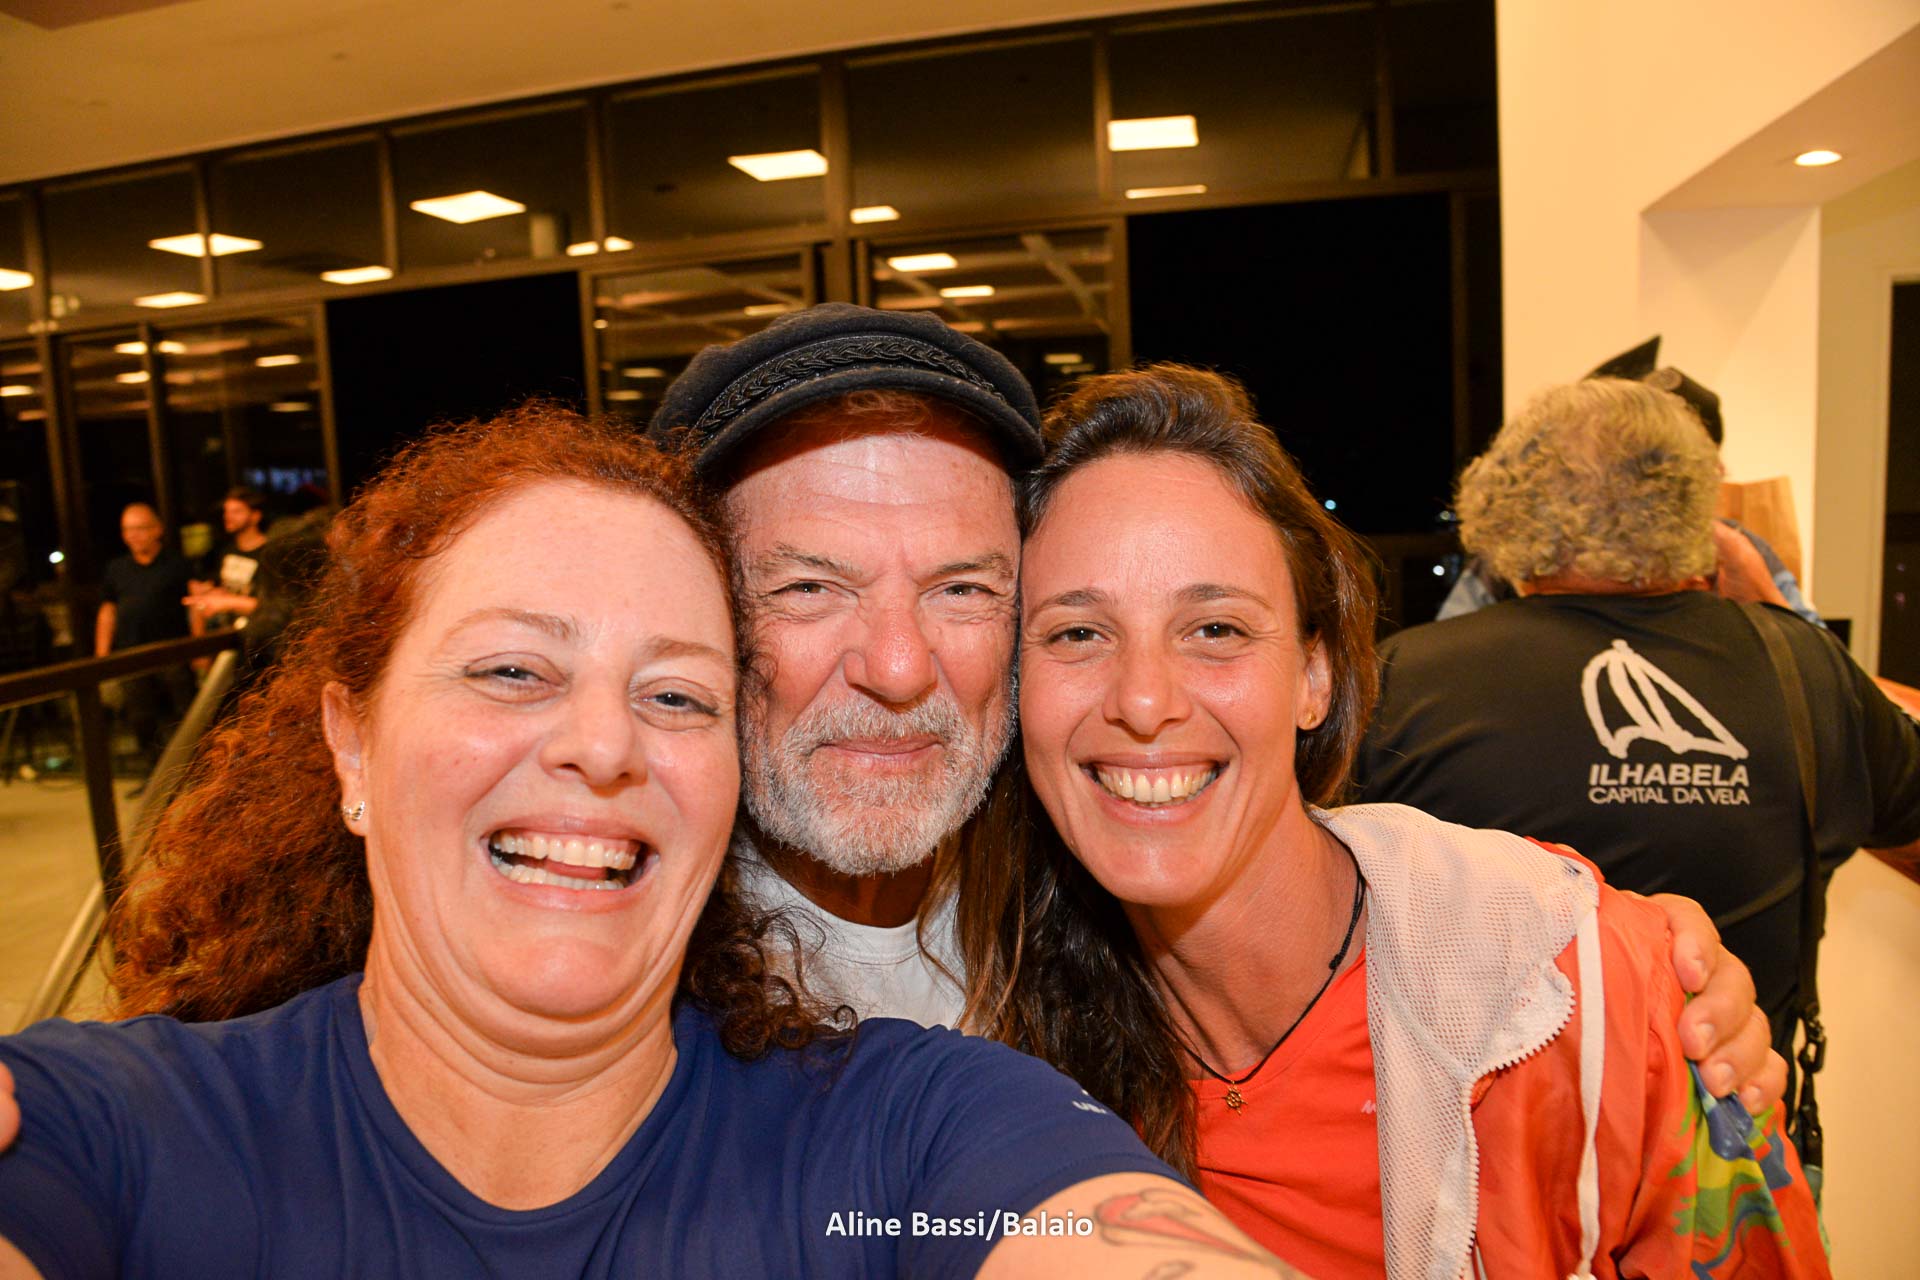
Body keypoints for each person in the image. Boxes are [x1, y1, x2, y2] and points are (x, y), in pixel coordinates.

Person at [0, 406, 1282, 1280]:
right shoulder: (104, 1137)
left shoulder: (916, 1130)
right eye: (513, 669)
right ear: (352, 743)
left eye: (677, 695)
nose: (603, 744)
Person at [646, 303, 1782, 1101]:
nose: (898, 667)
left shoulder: (1077, 906)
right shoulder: (621, 977)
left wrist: (1620, 975)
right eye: (808, 587)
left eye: (962, 589)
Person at [963, 365, 1829, 1278]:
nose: (1143, 700)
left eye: (1216, 629)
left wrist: (1644, 988)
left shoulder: (1581, 995)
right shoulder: (991, 1031)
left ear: (1316, 675)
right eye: (1076, 633)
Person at [1357, 378, 1920, 1055]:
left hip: (1479, 1113)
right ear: (1694, 505)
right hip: (1735, 1110)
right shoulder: (1802, 668)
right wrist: (1775, 611)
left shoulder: (1407, 678)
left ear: (1505, 506)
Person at [1438, 339, 1823, 626]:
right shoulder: (1513, 555)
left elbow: (1814, 665)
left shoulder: (1737, 553)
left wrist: (1762, 604)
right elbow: (1457, 637)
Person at [95, 502, 200, 781]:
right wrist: (102, 654)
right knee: (140, 715)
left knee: (185, 711)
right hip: (132, 652)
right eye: (127, 530)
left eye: (140, 528)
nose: (134, 535)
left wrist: (199, 648)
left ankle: (191, 772)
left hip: (173, 650)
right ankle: (154, 776)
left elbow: (195, 605)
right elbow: (108, 610)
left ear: (157, 530)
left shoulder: (177, 564)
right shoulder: (116, 568)